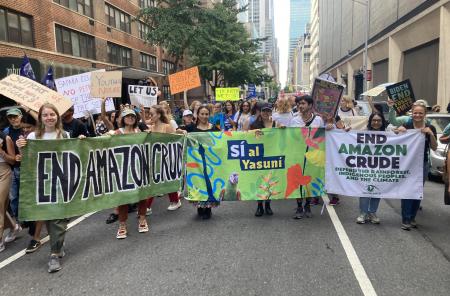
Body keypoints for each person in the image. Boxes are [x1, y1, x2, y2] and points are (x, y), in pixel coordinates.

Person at [16, 103, 76, 272]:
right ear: (41, 118)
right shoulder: (33, 137)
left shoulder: (65, 135)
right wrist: (22, 147)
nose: (49, 117)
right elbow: (25, 159)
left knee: (59, 218)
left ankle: (54, 254)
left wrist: (80, 142)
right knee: (49, 218)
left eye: (52, 114)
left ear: (57, 116)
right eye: (45, 115)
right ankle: (58, 245)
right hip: (41, 185)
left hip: (61, 184)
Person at [395, 102, 437, 230]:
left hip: (422, 164)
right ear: (411, 114)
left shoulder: (430, 127)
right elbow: (393, 137)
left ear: (425, 114)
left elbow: (434, 147)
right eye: (415, 113)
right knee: (407, 191)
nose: (417, 115)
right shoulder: (407, 125)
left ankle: (412, 217)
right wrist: (398, 130)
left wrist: (430, 134)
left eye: (420, 113)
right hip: (407, 164)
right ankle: (406, 219)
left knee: (417, 191)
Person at [112, 108, 149, 239]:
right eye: (127, 116)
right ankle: (122, 224)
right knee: (123, 197)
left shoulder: (139, 131)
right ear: (122, 118)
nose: (130, 118)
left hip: (138, 167)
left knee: (142, 194)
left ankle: (142, 219)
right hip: (123, 169)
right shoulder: (117, 133)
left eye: (133, 116)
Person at [287, 95, 325, 219]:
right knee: (297, 180)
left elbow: (323, 136)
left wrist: (330, 128)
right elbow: (289, 136)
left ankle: (307, 205)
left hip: (313, 155)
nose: (300, 106)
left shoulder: (318, 120)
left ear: (310, 105)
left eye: (303, 103)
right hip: (297, 154)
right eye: (299, 104)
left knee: (309, 179)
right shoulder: (294, 120)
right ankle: (299, 207)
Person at [146, 105, 182, 211]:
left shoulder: (167, 127)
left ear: (159, 115)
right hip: (155, 160)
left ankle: (175, 201)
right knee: (152, 182)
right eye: (149, 114)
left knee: (168, 180)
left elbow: (175, 142)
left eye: (152, 114)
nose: (150, 116)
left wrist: (180, 132)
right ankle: (146, 206)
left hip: (167, 159)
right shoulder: (151, 128)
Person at [355, 112, 388, 224]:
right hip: (365, 166)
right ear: (370, 122)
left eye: (379, 120)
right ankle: (363, 213)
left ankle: (372, 212)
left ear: (382, 122)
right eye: (374, 120)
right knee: (364, 190)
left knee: (377, 191)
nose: (376, 122)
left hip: (380, 168)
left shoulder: (388, 134)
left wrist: (401, 131)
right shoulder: (363, 133)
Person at [190, 105, 220, 219]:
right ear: (197, 115)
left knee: (209, 183)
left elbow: (221, 139)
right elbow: (178, 131)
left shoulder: (214, 128)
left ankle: (208, 208)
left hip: (210, 161)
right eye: (202, 114)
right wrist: (181, 130)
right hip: (196, 161)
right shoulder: (192, 128)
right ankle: (199, 206)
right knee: (198, 182)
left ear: (209, 115)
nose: (204, 116)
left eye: (206, 114)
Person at [249, 102, 275, 216]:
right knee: (259, 181)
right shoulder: (255, 124)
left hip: (272, 156)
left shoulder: (275, 123)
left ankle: (268, 205)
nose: (266, 113)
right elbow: (251, 139)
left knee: (270, 181)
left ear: (271, 112)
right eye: (264, 111)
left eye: (268, 111)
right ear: (260, 112)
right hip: (258, 156)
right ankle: (259, 206)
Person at [0, 129, 19, 253]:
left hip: (3, 172)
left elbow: (13, 160)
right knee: (1, 205)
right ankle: (13, 227)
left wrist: (1, 151)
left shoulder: (5, 138)